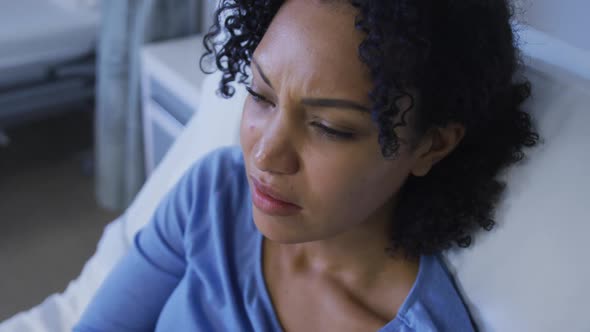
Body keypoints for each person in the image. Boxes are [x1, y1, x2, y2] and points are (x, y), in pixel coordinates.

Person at [74, 0, 538, 331]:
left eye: (330, 127)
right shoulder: (214, 196)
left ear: (430, 146)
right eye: (260, 95)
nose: (263, 155)